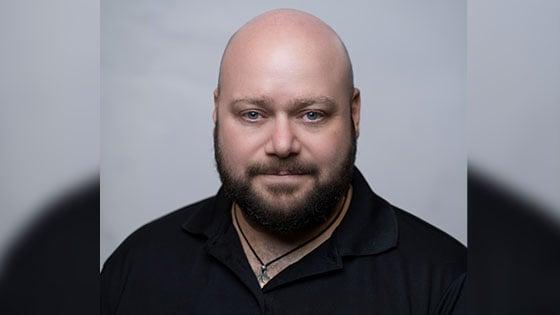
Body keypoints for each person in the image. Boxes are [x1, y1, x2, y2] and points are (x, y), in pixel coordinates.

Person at [101, 9, 466, 314]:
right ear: (216, 110)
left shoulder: (449, 283)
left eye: (311, 115)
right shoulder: (136, 266)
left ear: (354, 113)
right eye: (253, 114)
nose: (282, 144)